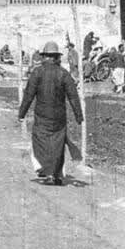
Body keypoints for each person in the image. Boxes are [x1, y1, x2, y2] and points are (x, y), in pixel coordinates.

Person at [17, 41, 83, 186]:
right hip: (59, 117)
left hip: (42, 115)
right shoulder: (63, 73)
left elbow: (28, 95)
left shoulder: (37, 72)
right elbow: (73, 96)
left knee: (40, 143)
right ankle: (56, 174)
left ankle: (47, 172)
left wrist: (22, 113)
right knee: (58, 145)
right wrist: (79, 115)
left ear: (45, 56)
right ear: (57, 57)